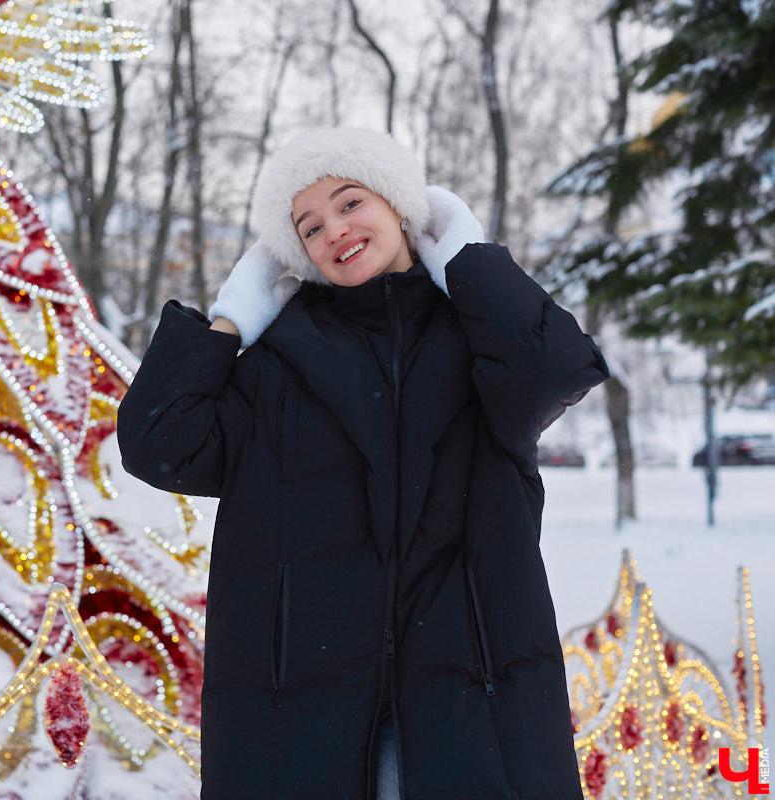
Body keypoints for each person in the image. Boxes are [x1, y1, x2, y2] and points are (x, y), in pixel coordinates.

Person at [116, 128, 608, 799]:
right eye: (308, 226)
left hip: (471, 691)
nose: (334, 232)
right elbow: (158, 443)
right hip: (303, 708)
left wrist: (465, 256)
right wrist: (231, 319)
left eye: (350, 203)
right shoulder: (280, 360)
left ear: (398, 202)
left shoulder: (479, 338)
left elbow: (558, 369)